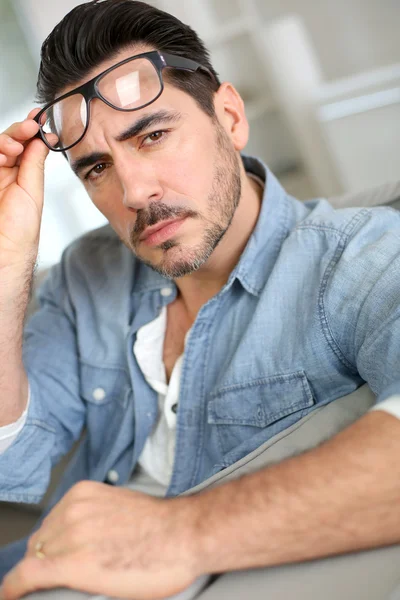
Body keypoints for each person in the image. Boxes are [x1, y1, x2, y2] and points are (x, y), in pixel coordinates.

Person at [1, 0, 400, 598]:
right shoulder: (89, 274)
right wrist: (8, 263)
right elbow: (14, 459)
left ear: (230, 118)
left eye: (154, 135)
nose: (133, 191)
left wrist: (177, 533)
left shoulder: (355, 258)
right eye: (97, 169)